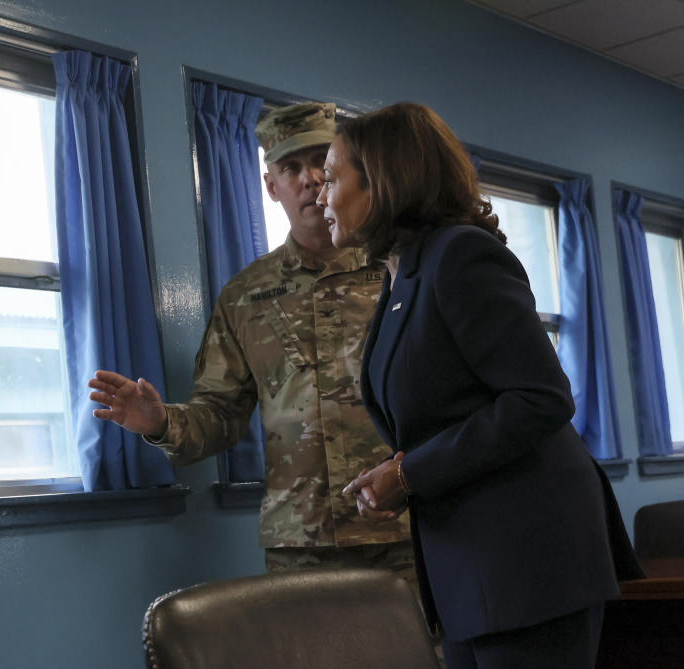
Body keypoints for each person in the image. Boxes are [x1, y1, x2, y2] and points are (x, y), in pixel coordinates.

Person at [319, 102, 643, 668]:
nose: (322, 196)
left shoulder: (459, 255)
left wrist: (408, 473)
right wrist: (399, 478)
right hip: (473, 571)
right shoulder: (404, 275)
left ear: (383, 180)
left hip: (529, 566)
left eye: (331, 178)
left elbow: (540, 398)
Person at [88, 102, 413, 577]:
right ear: (271, 186)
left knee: (422, 653)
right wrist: (159, 423)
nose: (309, 180)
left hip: (402, 527)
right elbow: (219, 415)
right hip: (302, 542)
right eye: (290, 168)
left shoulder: (397, 268)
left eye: (320, 164)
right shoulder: (246, 296)